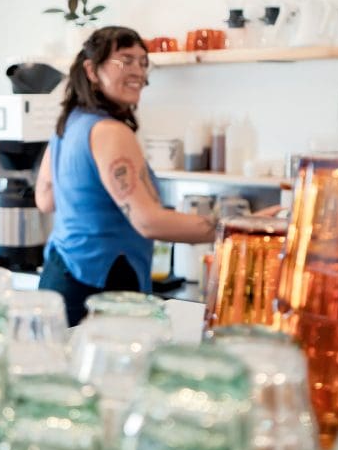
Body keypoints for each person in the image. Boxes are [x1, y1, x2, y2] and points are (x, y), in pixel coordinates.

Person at [35, 25, 216, 326]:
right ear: (91, 70)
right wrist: (231, 229)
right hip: (103, 287)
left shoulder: (68, 124)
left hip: (60, 277)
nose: (138, 72)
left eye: (143, 63)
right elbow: (148, 221)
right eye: (125, 61)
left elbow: (45, 199)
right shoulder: (110, 132)